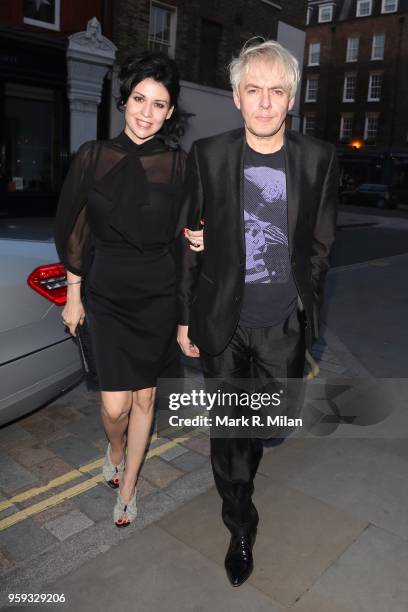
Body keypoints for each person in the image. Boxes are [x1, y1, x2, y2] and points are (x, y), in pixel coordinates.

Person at [177, 39, 338, 586]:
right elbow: (188, 240)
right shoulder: (209, 155)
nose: (265, 103)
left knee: (269, 424)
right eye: (253, 91)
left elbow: (320, 243)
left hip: (282, 322)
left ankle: (248, 448)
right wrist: (185, 319)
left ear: (291, 98)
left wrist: (306, 303)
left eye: (276, 92)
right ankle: (239, 520)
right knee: (229, 433)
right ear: (237, 98)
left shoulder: (317, 158)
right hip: (223, 321)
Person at [54, 51, 203, 528]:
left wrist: (184, 316)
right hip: (107, 294)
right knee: (113, 406)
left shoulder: (180, 167)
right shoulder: (93, 157)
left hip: (157, 296)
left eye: (159, 104)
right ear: (124, 100)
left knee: (145, 399)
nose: (146, 112)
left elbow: (187, 245)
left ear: (170, 112)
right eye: (140, 99)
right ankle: (114, 447)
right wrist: (73, 294)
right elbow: (74, 227)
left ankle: (130, 487)